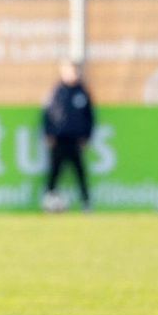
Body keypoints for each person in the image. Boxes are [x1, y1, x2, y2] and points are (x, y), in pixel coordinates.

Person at [41, 59, 94, 212]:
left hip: (75, 140)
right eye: (69, 71)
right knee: (54, 172)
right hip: (59, 139)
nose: (72, 74)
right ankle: (48, 201)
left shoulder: (82, 92)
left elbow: (90, 117)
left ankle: (86, 203)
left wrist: (87, 135)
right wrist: (48, 133)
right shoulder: (57, 91)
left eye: (74, 71)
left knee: (80, 172)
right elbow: (48, 114)